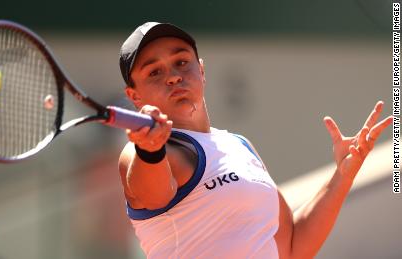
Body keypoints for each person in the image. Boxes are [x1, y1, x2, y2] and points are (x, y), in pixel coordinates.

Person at [117, 22, 392, 259]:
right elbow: (153, 196)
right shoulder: (139, 152)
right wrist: (149, 149)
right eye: (154, 72)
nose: (174, 76)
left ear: (201, 70)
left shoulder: (239, 144)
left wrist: (343, 176)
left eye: (181, 62)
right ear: (134, 96)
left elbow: (293, 249)